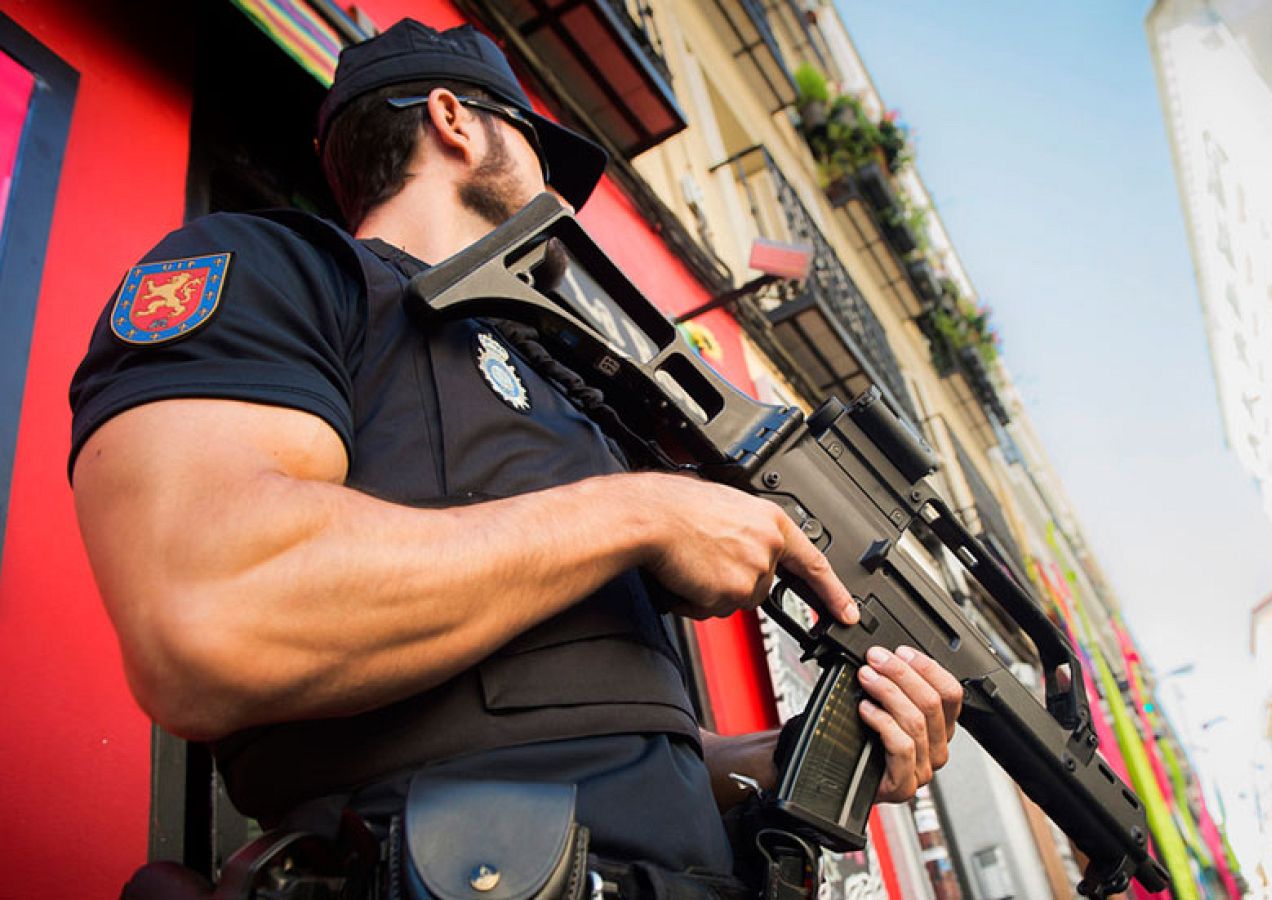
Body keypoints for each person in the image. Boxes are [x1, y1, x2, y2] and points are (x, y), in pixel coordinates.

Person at [69, 18, 964, 895]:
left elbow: (606, 747)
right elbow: (208, 614)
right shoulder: (282, 270)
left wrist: (799, 755)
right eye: (537, 152)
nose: (560, 201)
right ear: (455, 120)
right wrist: (640, 512)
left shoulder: (573, 398)